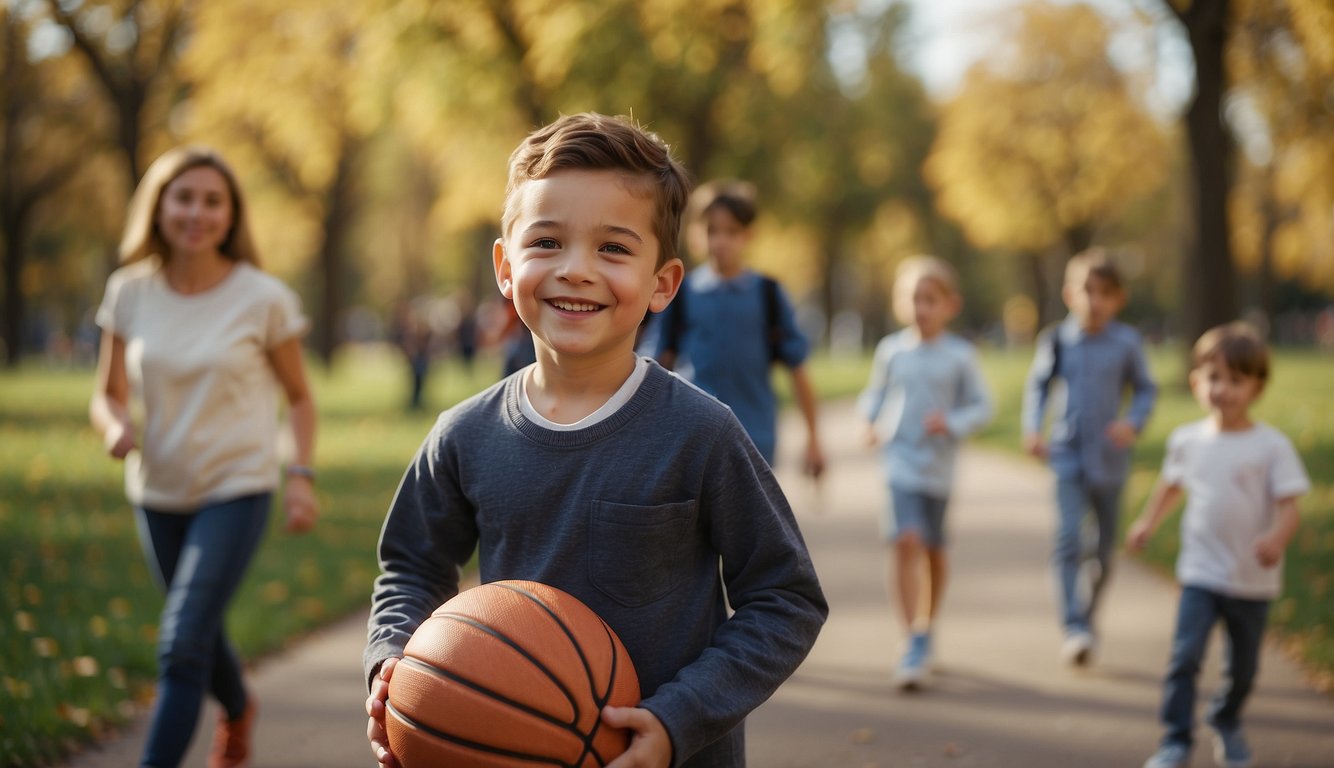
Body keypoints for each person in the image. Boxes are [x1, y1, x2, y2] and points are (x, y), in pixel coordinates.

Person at [363, 113, 827, 768]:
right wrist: (396, 668)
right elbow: (410, 565)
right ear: (505, 266)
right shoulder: (465, 435)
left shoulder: (700, 433)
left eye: (613, 248)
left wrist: (678, 718)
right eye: (547, 242)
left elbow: (785, 598)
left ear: (663, 284)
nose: (576, 270)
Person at [89, 146, 319, 768]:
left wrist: (299, 475)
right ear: (159, 207)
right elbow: (106, 393)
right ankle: (238, 705)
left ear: (230, 214)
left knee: (179, 643)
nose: (197, 212)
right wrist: (115, 425)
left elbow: (299, 398)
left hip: (236, 487)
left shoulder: (263, 297)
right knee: (199, 632)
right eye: (183, 197)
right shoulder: (128, 292)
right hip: (156, 490)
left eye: (212, 200)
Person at [1129, 323, 1308, 768]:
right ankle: (1175, 740)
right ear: (1195, 382)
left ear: (1257, 388)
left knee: (1242, 672)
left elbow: (1290, 507)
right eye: (1213, 378)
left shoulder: (1271, 447)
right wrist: (1147, 522)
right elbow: (1170, 488)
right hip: (1200, 572)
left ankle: (1225, 719)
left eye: (1235, 380)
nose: (1221, 390)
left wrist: (1276, 539)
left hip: (1251, 579)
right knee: (1184, 657)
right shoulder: (1187, 441)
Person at [857, 256, 992, 690]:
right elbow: (874, 396)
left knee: (933, 549)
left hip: (940, 469)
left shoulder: (960, 355)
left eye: (930, 300)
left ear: (950, 305)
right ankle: (911, 638)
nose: (922, 308)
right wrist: (870, 423)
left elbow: (982, 406)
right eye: (914, 298)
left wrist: (951, 423)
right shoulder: (892, 351)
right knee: (905, 540)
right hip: (900, 462)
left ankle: (927, 625)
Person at [1021, 247, 1157, 666]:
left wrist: (1132, 422)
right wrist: (1033, 426)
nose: (1095, 301)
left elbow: (1147, 389)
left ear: (1118, 299)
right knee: (1066, 540)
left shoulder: (1128, 343)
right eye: (1087, 291)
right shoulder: (1057, 339)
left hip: (1110, 459)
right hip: (1066, 453)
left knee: (1102, 551)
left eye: (1105, 293)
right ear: (1069, 294)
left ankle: (1088, 613)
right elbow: (1038, 385)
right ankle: (1074, 627)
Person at [648, 179, 824, 476]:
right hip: (691, 436)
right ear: (695, 234)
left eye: (731, 231)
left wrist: (813, 439)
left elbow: (798, 369)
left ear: (748, 235)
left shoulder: (768, 294)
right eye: (711, 230)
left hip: (754, 438)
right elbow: (651, 364)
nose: (721, 241)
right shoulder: (678, 295)